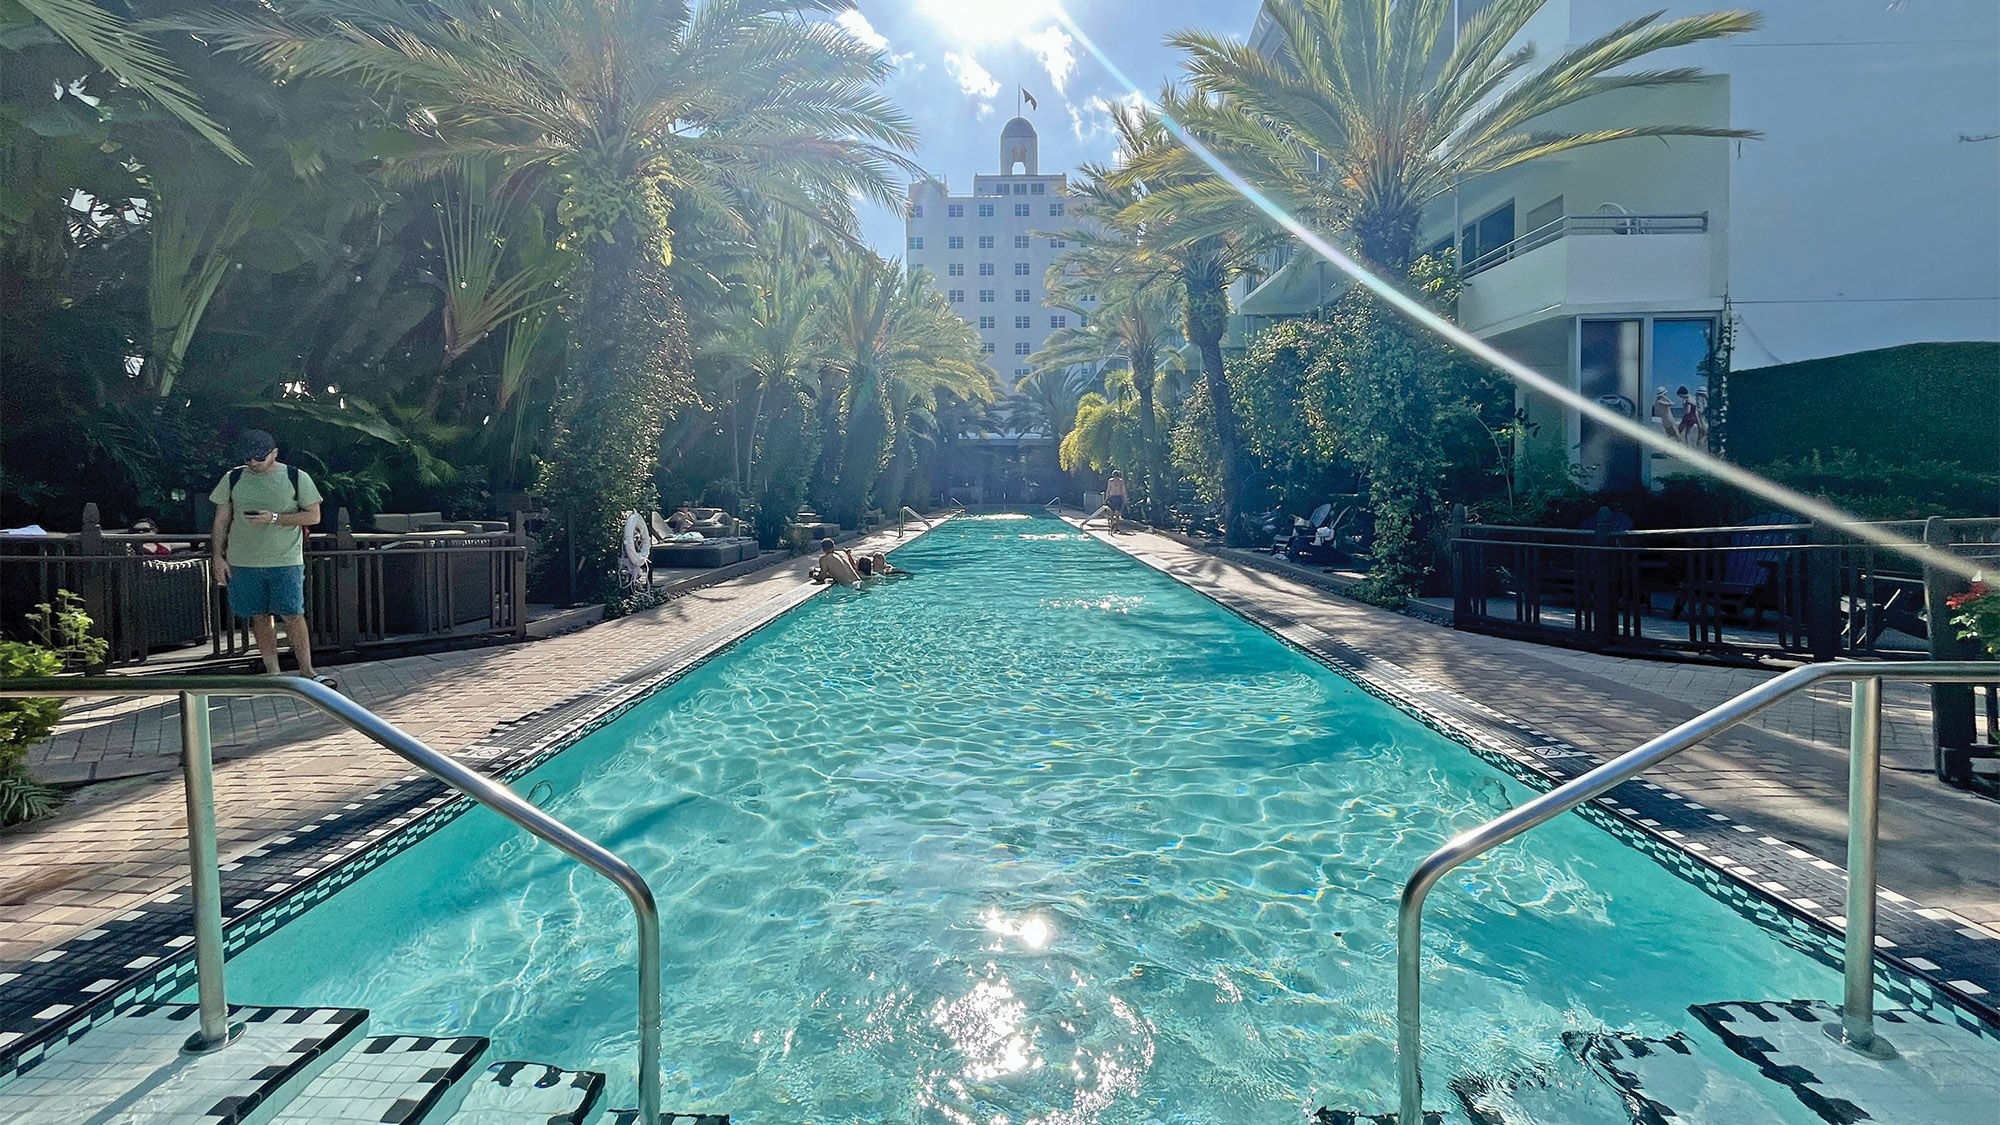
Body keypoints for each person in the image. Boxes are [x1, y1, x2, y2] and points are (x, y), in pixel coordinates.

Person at [209, 430, 333, 686]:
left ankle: (308, 671)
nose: (253, 463)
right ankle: (272, 672)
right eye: (248, 458)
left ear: (274, 453)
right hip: (243, 561)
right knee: (259, 616)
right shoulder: (233, 478)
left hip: (285, 560)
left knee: (293, 614)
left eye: (259, 458)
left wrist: (274, 518)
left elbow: (313, 516)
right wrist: (217, 558)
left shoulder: (296, 477)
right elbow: (221, 521)